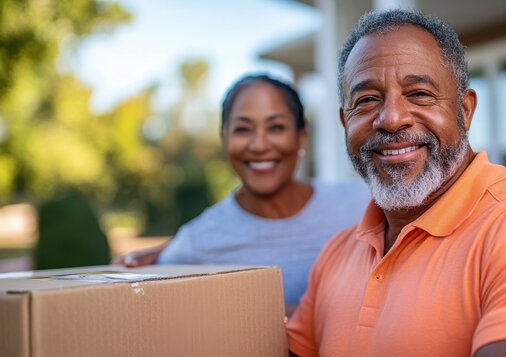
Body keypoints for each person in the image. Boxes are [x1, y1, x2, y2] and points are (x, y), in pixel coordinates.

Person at [286, 9, 506, 357]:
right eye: (367, 100)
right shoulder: (336, 253)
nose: (392, 119)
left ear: (465, 110)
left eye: (419, 94)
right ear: (345, 121)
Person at [112, 74, 371, 313]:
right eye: (243, 129)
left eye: (276, 127)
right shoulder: (197, 242)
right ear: (224, 139)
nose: (259, 145)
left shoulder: (362, 203)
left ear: (301, 136)